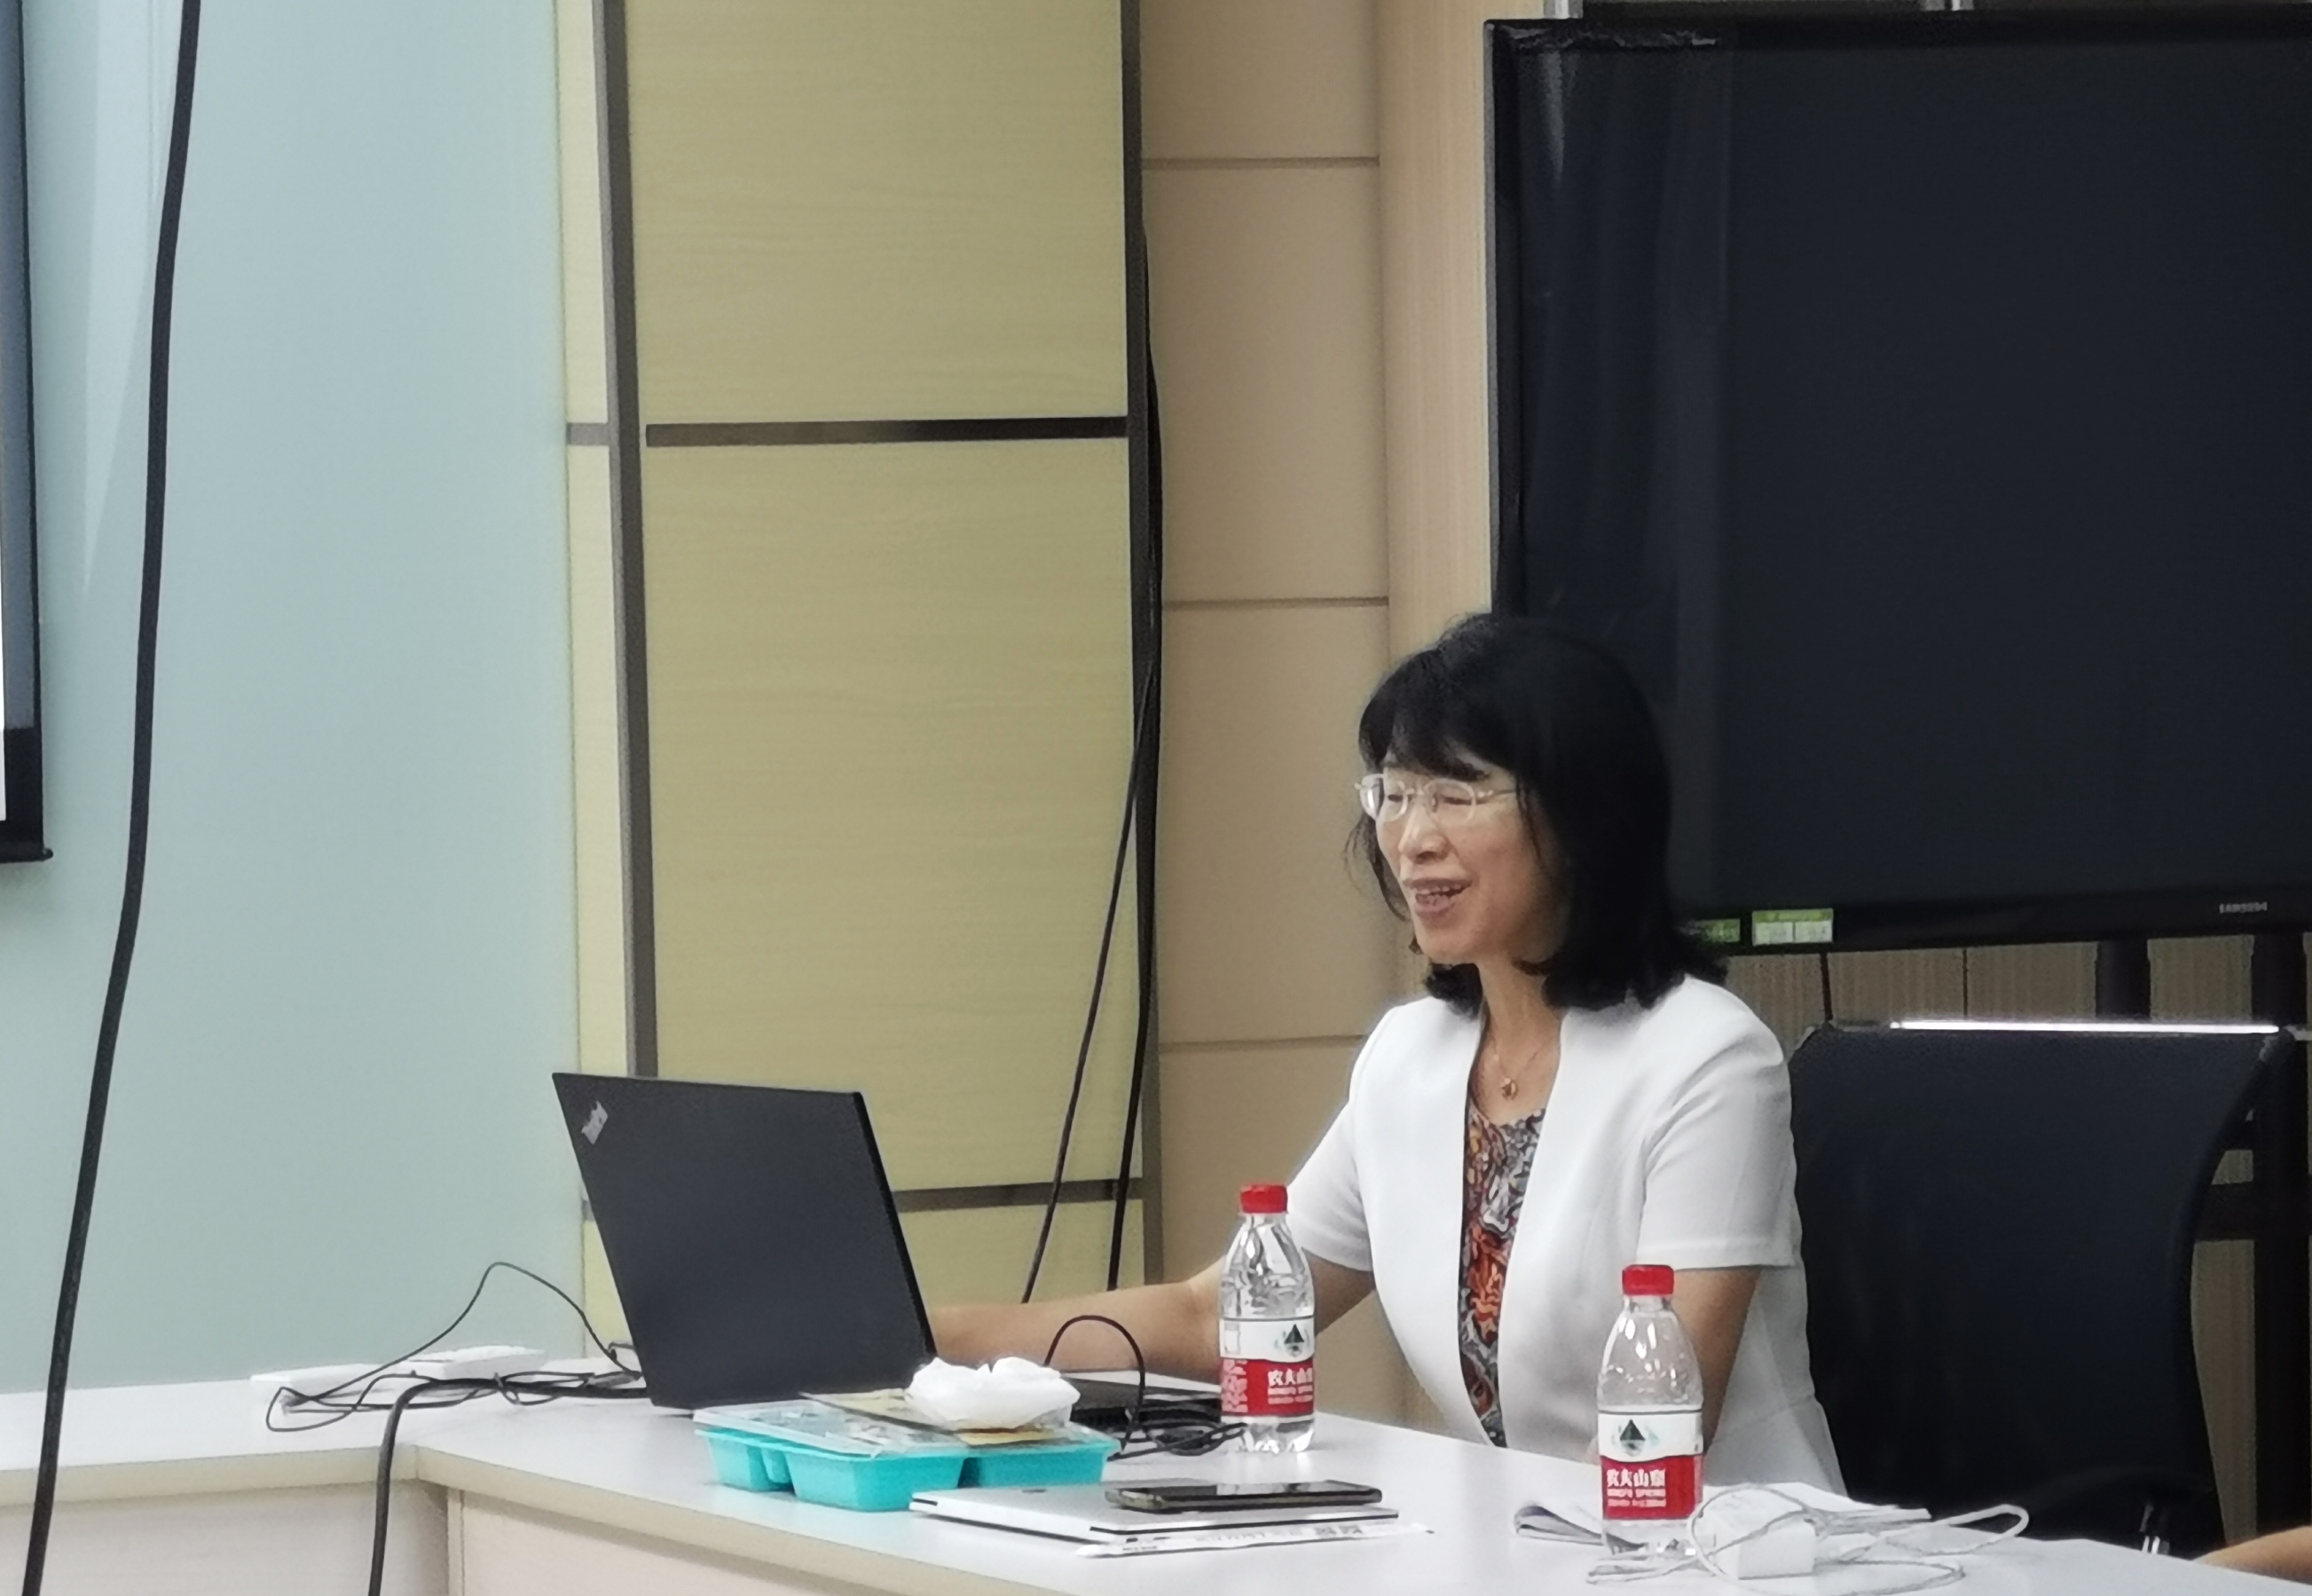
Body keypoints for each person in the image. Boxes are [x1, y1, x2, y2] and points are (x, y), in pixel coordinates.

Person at [935, 614, 1842, 1488]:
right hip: (1528, 1544)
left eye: (1455, 794)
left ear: (1582, 816)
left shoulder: (1706, 1057)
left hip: (1726, 1548)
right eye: (1394, 794)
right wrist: (933, 1336)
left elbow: (1662, 1424)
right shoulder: (1411, 1056)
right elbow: (1217, 1317)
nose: (1413, 838)